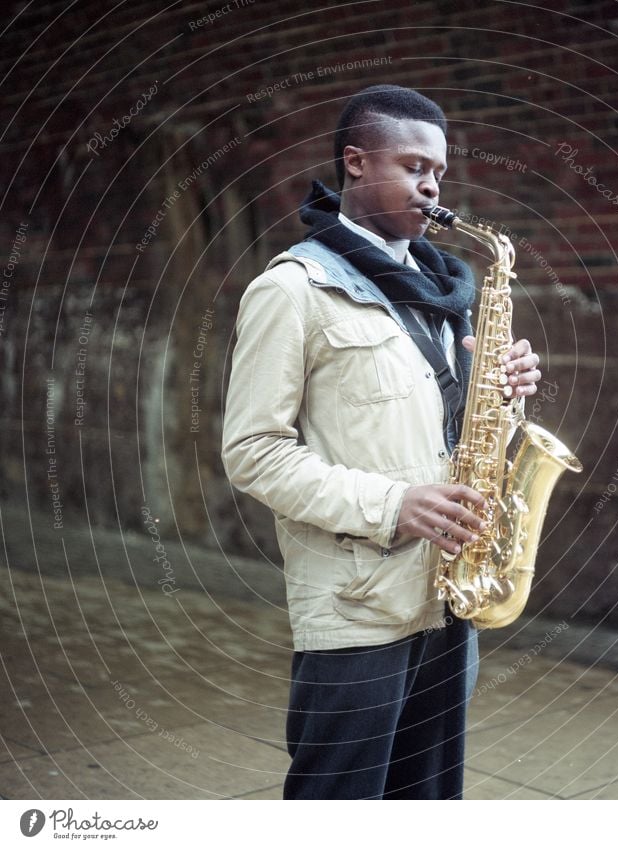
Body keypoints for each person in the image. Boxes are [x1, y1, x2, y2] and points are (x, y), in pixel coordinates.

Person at [221, 85, 542, 799]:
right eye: (414, 165)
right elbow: (251, 450)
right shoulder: (293, 289)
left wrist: (507, 393)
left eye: (439, 172)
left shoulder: (440, 290)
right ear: (356, 162)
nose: (432, 186)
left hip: (451, 597)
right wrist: (395, 503)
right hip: (357, 609)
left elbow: (452, 434)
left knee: (428, 805)